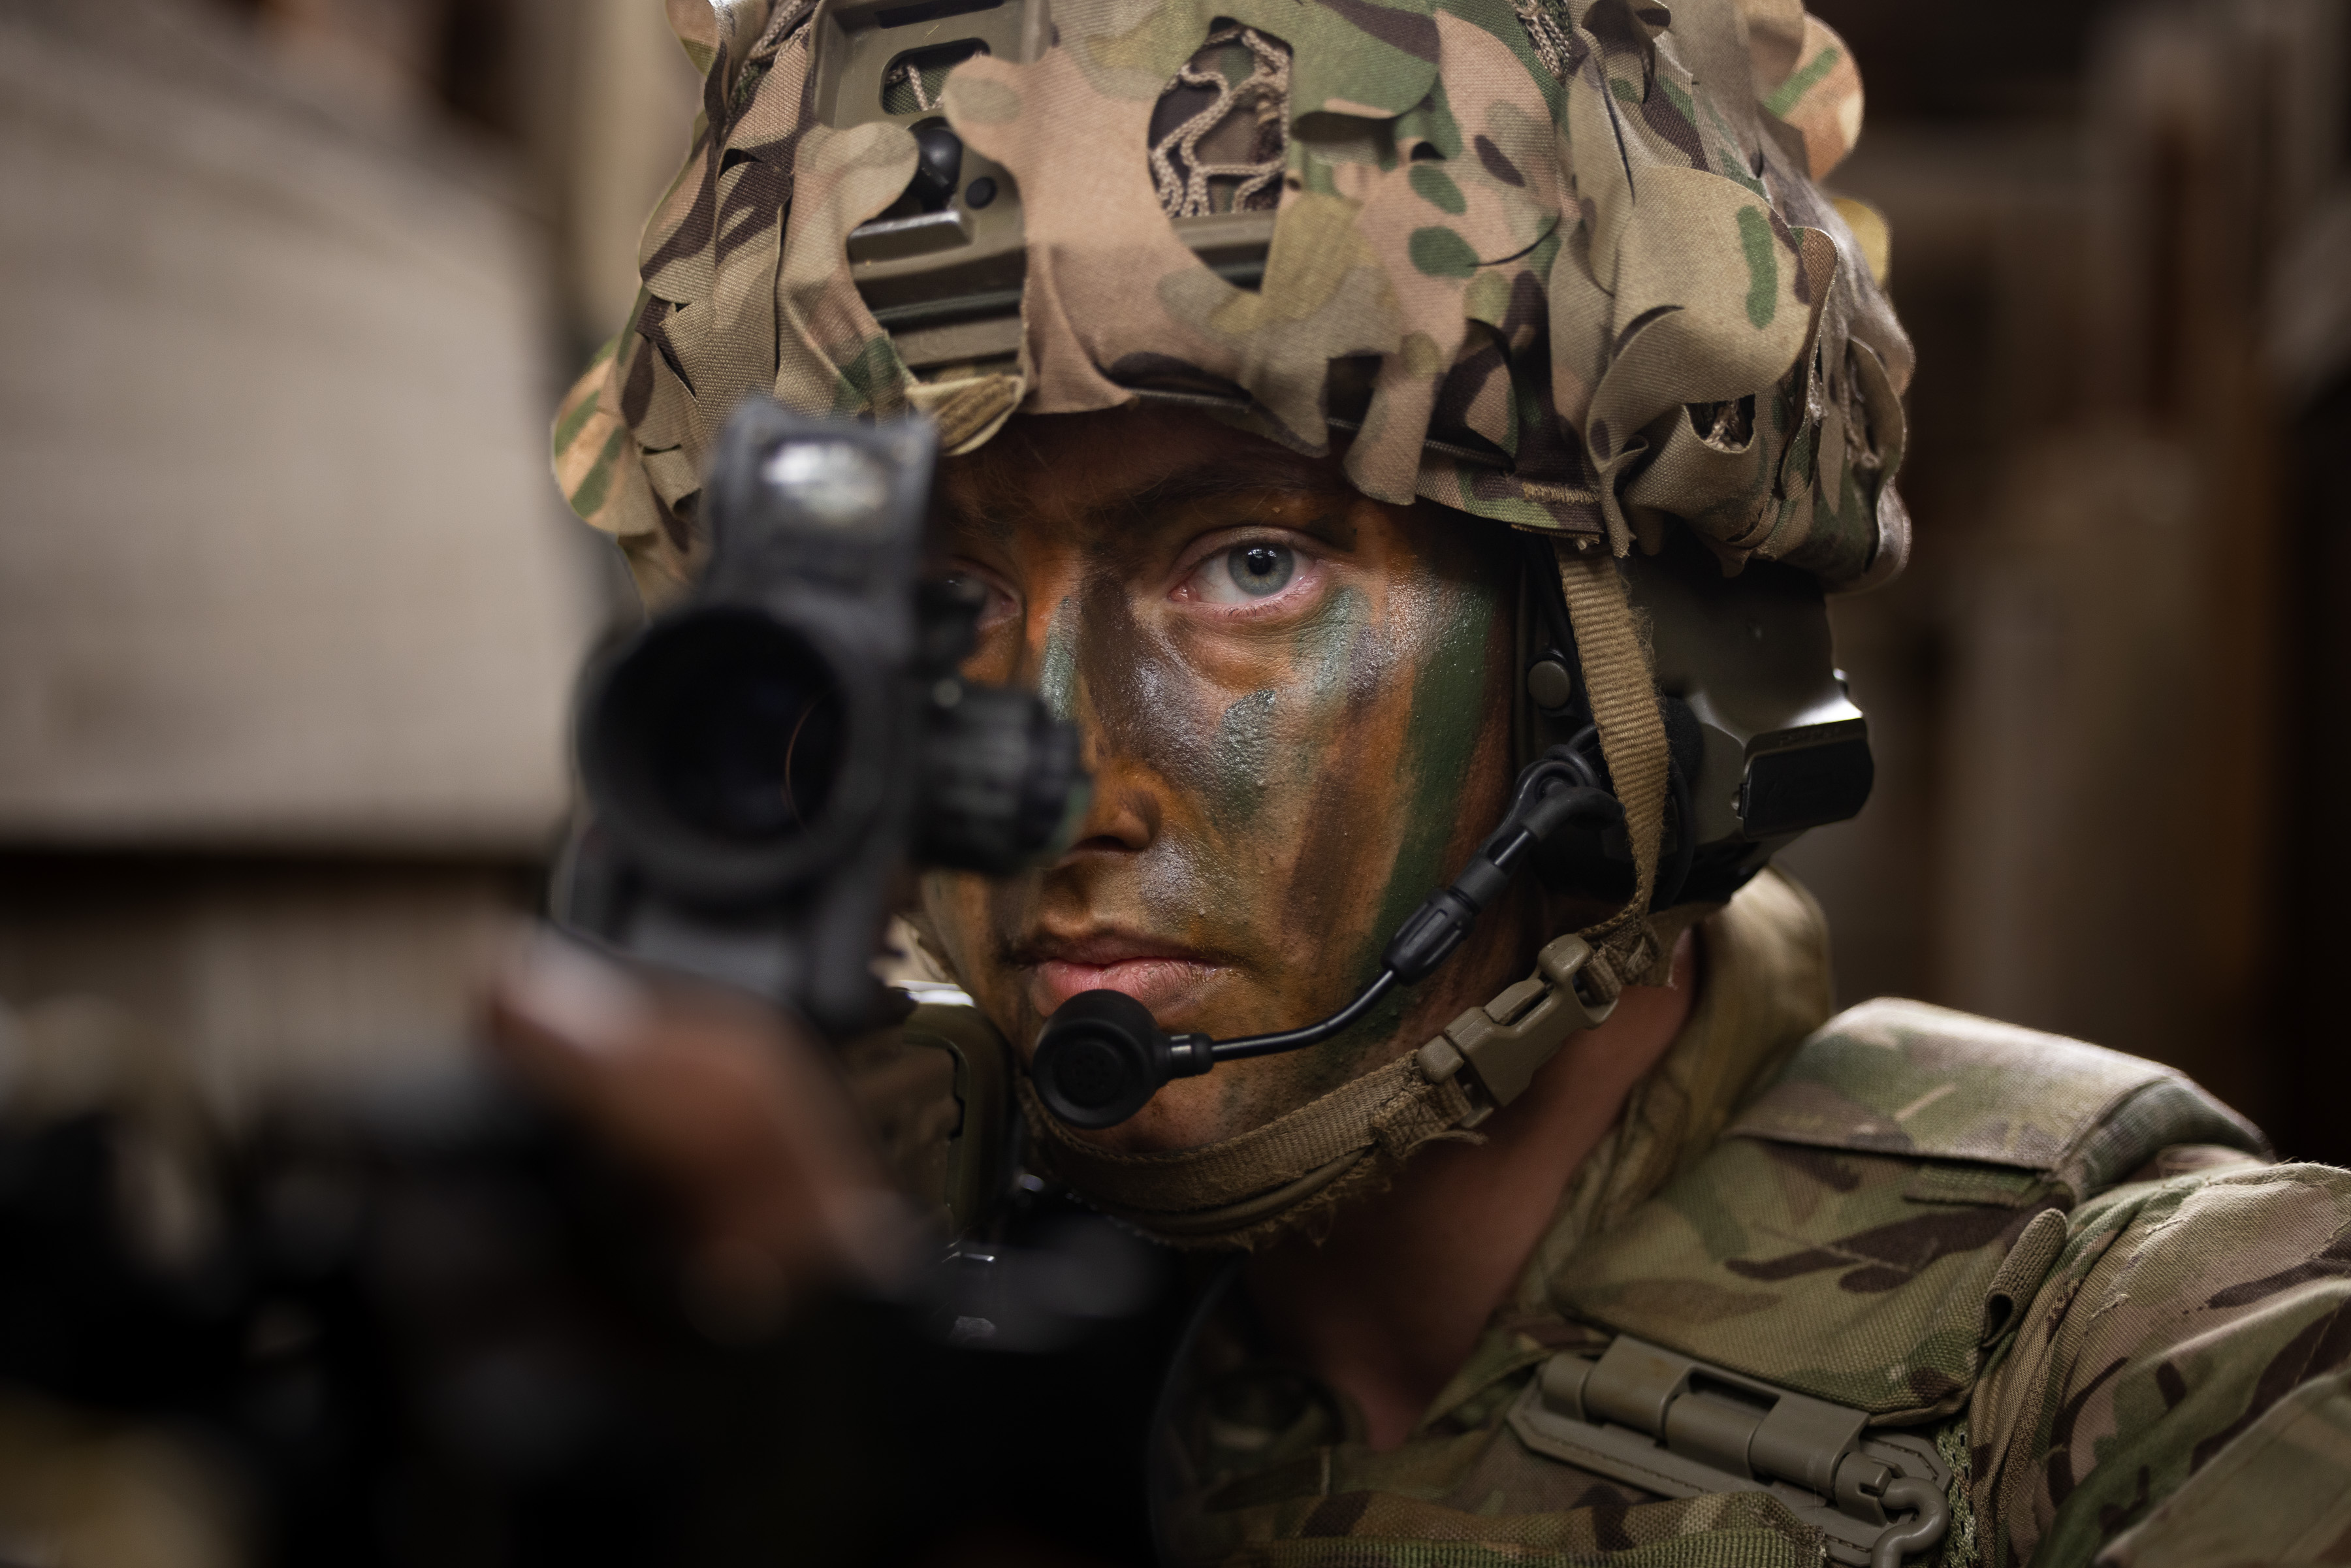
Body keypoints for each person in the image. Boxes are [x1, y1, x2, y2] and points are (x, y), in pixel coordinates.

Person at [522, 0, 2351, 1562]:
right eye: (947, 602)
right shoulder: (847, 1278)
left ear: (1623, 674)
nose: (1060, 786)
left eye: (1249, 566)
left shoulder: (2165, 1363)